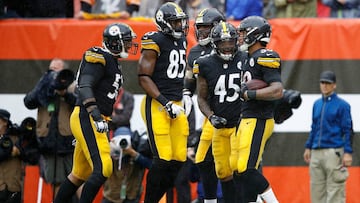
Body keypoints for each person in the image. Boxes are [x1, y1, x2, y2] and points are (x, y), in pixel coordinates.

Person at [53, 22, 138, 203]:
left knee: (80, 173)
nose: (130, 45)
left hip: (93, 118)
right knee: (104, 168)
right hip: (88, 116)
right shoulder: (98, 56)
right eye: (127, 41)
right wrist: (95, 113)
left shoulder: (112, 60)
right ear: (115, 42)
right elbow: (84, 86)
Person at [137, 2, 189, 203]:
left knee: (178, 160)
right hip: (157, 104)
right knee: (163, 158)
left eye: (180, 21)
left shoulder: (182, 40)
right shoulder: (154, 40)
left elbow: (175, 72)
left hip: (176, 103)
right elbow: (143, 77)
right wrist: (165, 102)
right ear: (163, 23)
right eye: (174, 22)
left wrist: (183, 94)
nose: (179, 25)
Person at [233, 16, 283, 203]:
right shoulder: (247, 57)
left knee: (247, 168)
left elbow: (277, 90)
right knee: (239, 169)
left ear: (255, 34)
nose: (241, 37)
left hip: (259, 118)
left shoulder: (265, 56)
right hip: (247, 117)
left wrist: (251, 95)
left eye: (244, 33)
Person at [196, 21, 247, 202]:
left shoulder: (246, 58)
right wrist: (211, 116)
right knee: (223, 171)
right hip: (220, 126)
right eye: (222, 43)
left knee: (242, 169)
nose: (227, 47)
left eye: (230, 42)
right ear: (214, 43)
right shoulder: (204, 63)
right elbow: (201, 97)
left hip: (241, 125)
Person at [182, 7, 226, 203]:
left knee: (240, 165)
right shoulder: (196, 52)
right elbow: (190, 80)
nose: (201, 32)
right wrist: (185, 93)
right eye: (199, 28)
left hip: (234, 114)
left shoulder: (229, 47)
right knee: (203, 160)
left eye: (206, 27)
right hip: (211, 115)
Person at [23, 58, 77, 202]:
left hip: (70, 141)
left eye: (56, 70)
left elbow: (80, 103)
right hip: (48, 142)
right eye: (50, 69)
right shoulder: (43, 86)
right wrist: (43, 85)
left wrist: (65, 93)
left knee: (76, 179)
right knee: (56, 180)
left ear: (64, 71)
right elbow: (29, 102)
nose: (53, 73)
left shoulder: (73, 85)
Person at [303, 70, 353, 203]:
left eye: (328, 83)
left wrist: (347, 152)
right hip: (316, 153)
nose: (324, 85)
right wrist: (308, 146)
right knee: (316, 191)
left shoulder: (343, 105)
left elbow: (348, 130)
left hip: (334, 152)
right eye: (322, 82)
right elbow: (314, 127)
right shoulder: (317, 104)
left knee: (335, 191)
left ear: (334, 85)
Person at [0, 109, 22, 203]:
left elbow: (32, 155)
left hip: (12, 187)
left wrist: (19, 151)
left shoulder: (16, 138)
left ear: (5, 122)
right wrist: (9, 151)